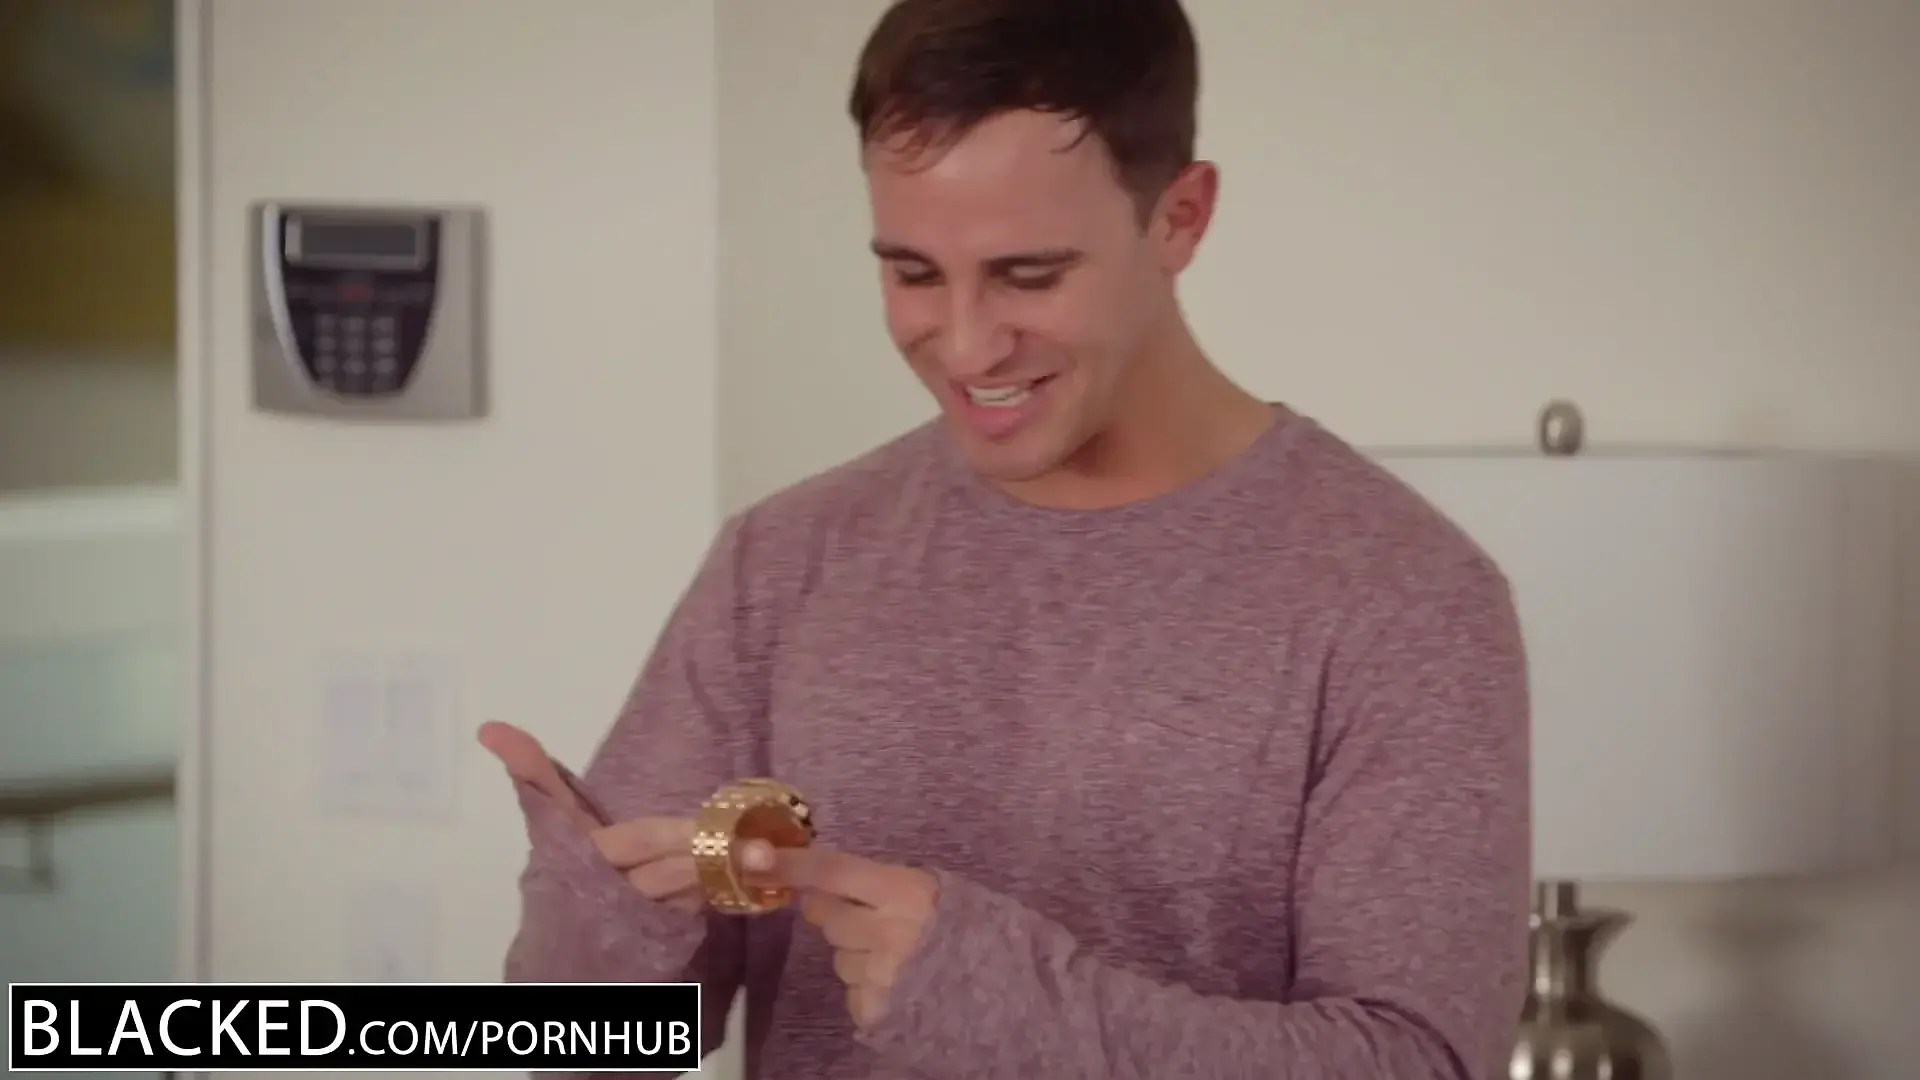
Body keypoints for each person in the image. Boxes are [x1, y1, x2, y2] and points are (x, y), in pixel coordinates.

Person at [482, 1, 1532, 1077]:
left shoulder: (1401, 594)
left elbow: (1424, 1063)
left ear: (1180, 218)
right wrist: (598, 928)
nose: (968, 345)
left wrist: (1009, 1007)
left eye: (1029, 275)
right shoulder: (785, 561)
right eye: (913, 273)